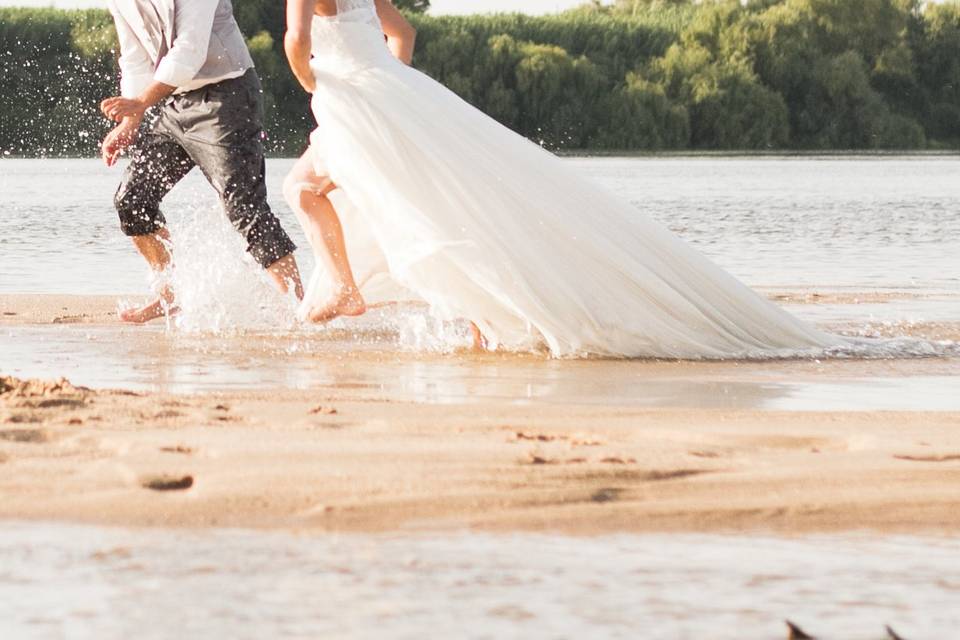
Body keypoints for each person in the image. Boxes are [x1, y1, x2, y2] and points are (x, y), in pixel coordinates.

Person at [281, 0, 846, 359]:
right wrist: (389, 86)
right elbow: (400, 31)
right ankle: (480, 322)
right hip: (393, 95)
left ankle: (344, 288)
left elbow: (295, 42)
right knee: (437, 205)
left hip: (357, 99)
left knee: (312, 191)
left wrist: (317, 86)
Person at [99, 0, 304, 323]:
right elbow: (135, 57)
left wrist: (140, 103)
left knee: (244, 207)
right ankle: (171, 293)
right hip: (176, 102)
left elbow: (189, 50)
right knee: (133, 199)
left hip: (228, 97)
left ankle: (298, 308)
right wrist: (130, 121)